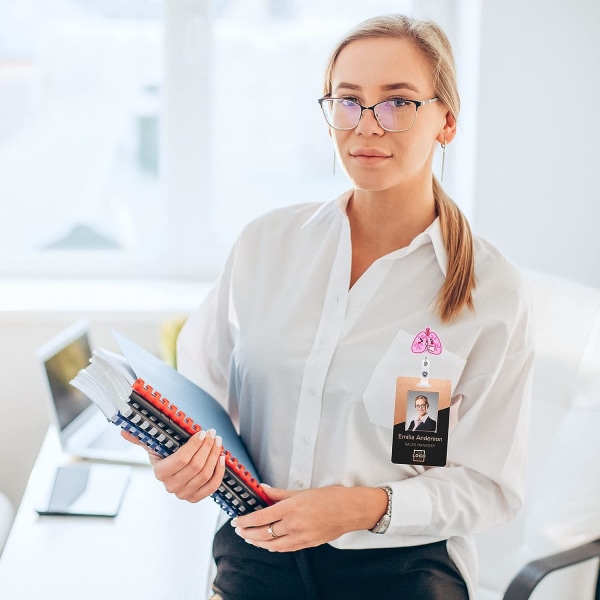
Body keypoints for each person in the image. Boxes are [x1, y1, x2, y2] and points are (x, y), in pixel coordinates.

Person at [124, 13, 534, 600]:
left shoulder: (490, 292)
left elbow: (490, 486)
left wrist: (362, 508)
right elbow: (201, 398)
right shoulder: (266, 245)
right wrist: (179, 458)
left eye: (397, 103)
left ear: (446, 120)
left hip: (402, 569)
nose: (367, 125)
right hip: (256, 552)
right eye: (348, 101)